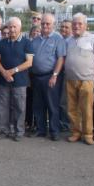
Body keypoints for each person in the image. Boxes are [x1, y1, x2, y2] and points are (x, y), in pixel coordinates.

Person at [64, 13, 94, 145]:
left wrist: (92, 75)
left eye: (79, 24)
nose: (76, 26)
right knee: (72, 108)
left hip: (86, 80)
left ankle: (88, 134)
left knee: (86, 108)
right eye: (74, 24)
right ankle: (76, 132)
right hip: (70, 79)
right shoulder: (68, 40)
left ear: (85, 25)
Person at [0, 17, 33, 141]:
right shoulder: (2, 42)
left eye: (15, 26)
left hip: (20, 81)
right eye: (10, 27)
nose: (12, 29)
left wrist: (12, 71)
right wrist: (4, 72)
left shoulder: (27, 42)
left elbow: (29, 63)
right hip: (3, 80)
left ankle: (18, 131)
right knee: (3, 105)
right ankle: (3, 129)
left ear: (20, 28)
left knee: (19, 107)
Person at [30, 13, 66, 141]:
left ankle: (54, 131)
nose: (45, 25)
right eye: (43, 23)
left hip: (50, 77)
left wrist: (55, 75)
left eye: (48, 23)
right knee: (38, 105)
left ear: (53, 25)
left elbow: (61, 58)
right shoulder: (36, 40)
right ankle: (41, 130)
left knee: (52, 105)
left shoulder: (58, 39)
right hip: (36, 77)